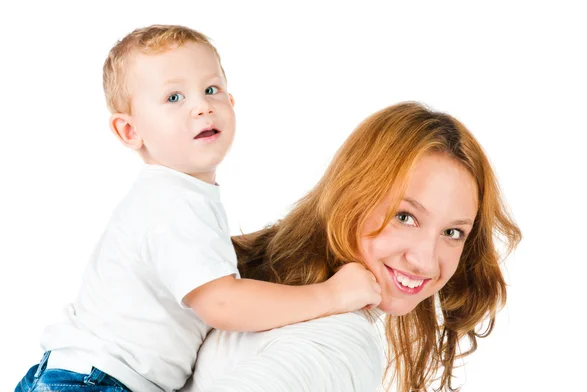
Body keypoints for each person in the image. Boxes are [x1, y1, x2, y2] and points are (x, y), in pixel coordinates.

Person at [14, 24, 382, 392]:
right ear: (130, 131)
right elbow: (222, 304)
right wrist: (332, 296)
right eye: (174, 98)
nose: (202, 106)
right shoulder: (171, 203)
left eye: (211, 90)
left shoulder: (176, 196)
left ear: (232, 102)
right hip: (96, 382)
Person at [183, 101, 522, 392]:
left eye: (452, 232)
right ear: (351, 198)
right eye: (404, 217)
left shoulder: (246, 283)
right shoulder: (340, 343)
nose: (425, 261)